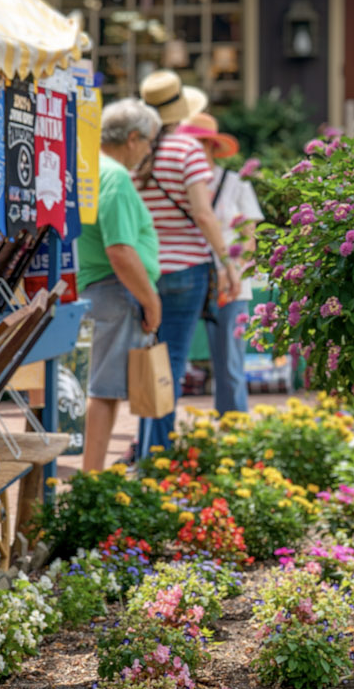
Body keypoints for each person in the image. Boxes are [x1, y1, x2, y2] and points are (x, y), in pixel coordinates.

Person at [131, 72, 242, 457]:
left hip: (142, 271)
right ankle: (157, 455)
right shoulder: (187, 150)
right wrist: (226, 262)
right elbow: (204, 215)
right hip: (187, 271)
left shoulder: (135, 153)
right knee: (171, 364)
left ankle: (147, 448)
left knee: (149, 361)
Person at [78, 98, 164, 472]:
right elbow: (121, 250)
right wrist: (151, 300)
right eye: (149, 143)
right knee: (105, 391)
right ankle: (92, 481)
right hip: (115, 289)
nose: (148, 152)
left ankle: (92, 478)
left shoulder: (91, 168)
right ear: (133, 138)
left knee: (104, 388)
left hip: (101, 287)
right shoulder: (114, 176)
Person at [180, 113, 263, 414]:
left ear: (212, 147)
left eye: (197, 145)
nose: (191, 152)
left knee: (229, 360)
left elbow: (249, 237)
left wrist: (235, 271)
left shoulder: (236, 184)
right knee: (174, 358)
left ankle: (234, 424)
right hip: (187, 274)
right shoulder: (179, 184)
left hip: (230, 280)